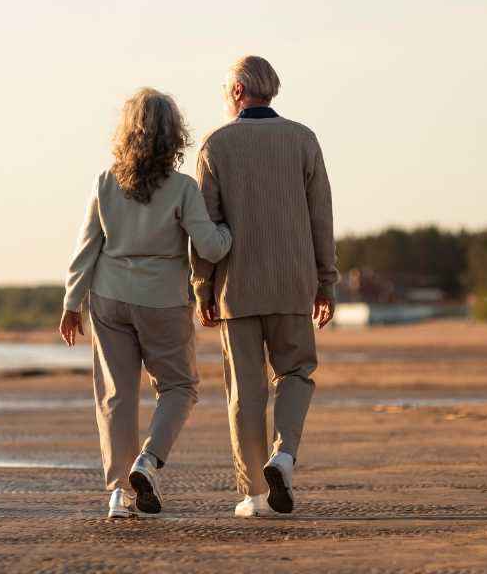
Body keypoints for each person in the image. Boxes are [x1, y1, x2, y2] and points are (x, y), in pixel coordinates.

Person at [60, 87, 232, 518]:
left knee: (117, 397)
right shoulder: (182, 188)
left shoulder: (105, 181)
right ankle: (148, 461)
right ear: (174, 135)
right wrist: (230, 230)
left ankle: (119, 494)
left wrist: (71, 303)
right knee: (179, 387)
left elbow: (86, 249)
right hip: (162, 302)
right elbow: (211, 248)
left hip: (109, 299)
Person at [190, 55, 338, 518]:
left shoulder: (215, 145)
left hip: (237, 290)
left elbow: (205, 227)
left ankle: (255, 495)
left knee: (246, 394)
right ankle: (284, 457)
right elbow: (321, 218)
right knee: (296, 374)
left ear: (237, 91)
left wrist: (202, 290)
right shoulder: (303, 139)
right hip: (293, 283)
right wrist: (326, 282)